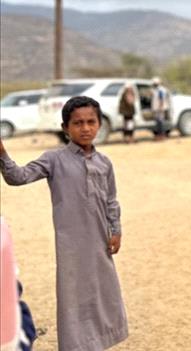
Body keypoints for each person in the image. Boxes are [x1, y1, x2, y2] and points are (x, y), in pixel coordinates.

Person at [0, 97, 129, 351]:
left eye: (91, 122)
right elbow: (18, 177)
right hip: (71, 244)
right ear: (65, 128)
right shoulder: (54, 159)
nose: (85, 128)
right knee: (74, 295)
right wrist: (2, 154)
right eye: (78, 123)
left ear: (100, 124)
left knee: (103, 291)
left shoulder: (104, 163)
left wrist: (116, 230)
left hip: (100, 242)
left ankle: (100, 342)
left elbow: (111, 200)